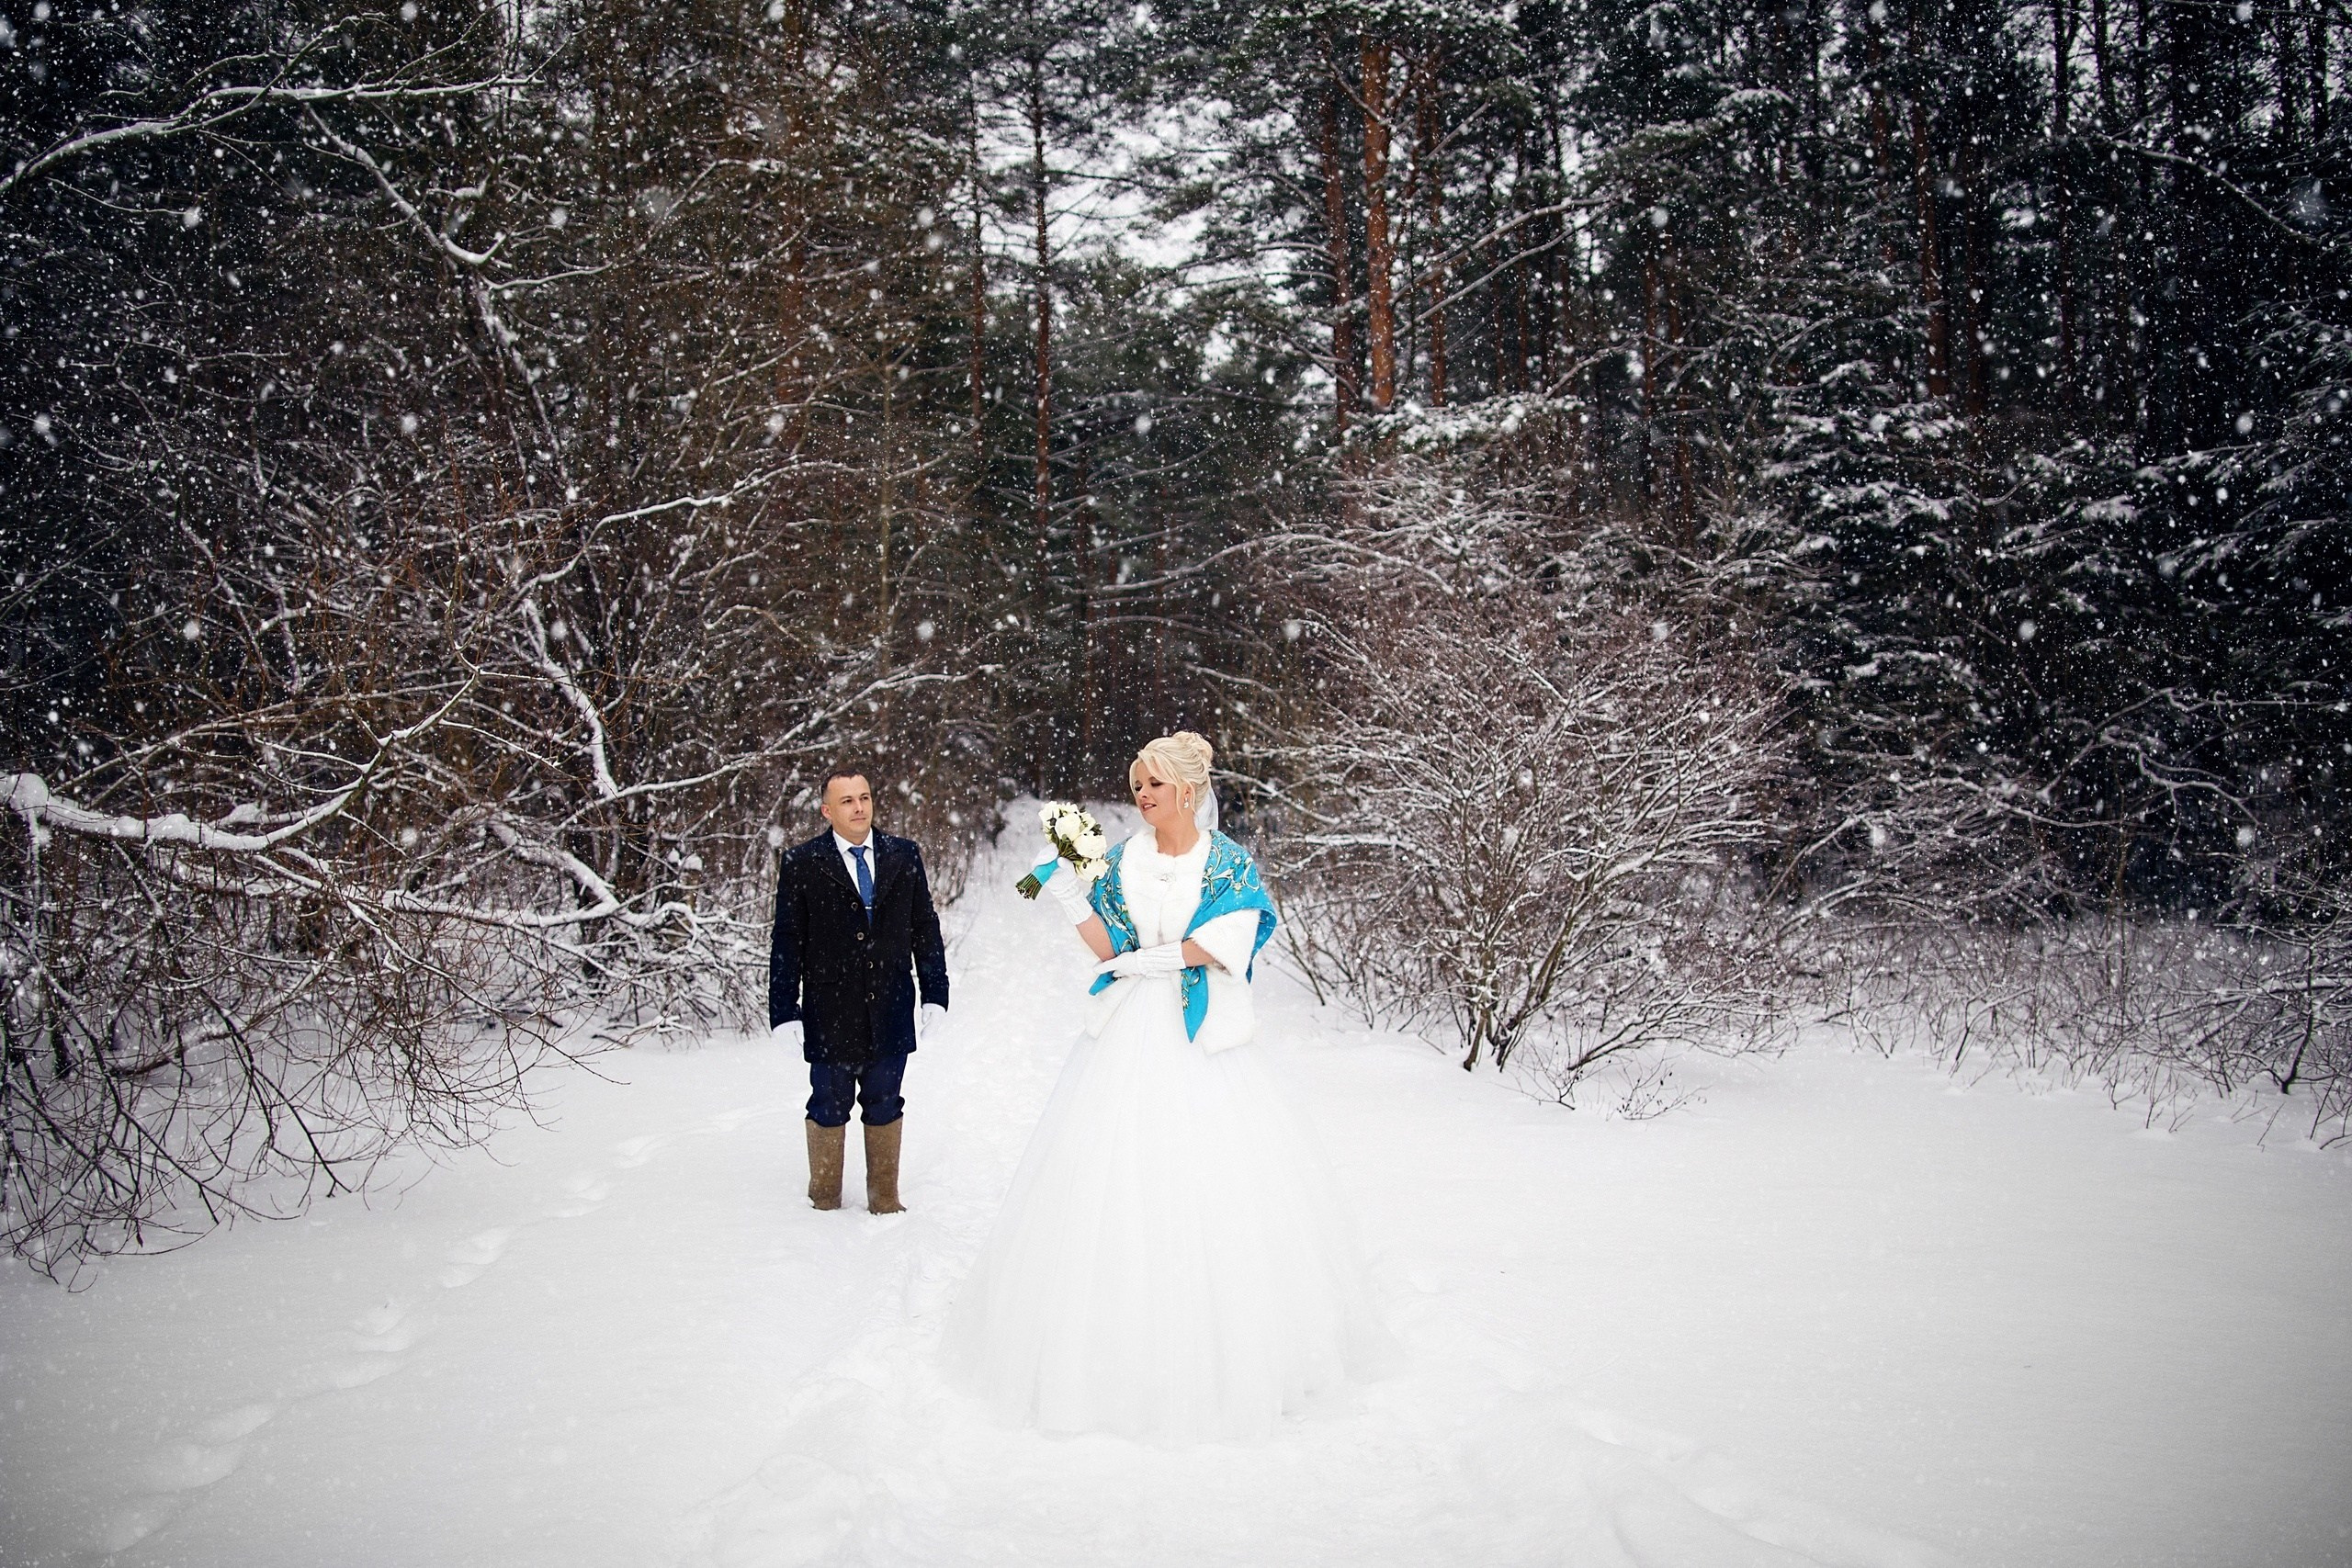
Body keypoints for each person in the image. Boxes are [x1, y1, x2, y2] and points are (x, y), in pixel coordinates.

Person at [942, 731, 1386, 1441]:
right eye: (1136, 782)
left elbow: (1226, 941)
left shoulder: (1228, 862)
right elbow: (1110, 948)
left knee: (1214, 1183)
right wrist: (1068, 897)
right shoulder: (1123, 860)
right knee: (1108, 1180)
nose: (1141, 795)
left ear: (1187, 788)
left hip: (1202, 1040)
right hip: (1128, 1035)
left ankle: (1231, 1353)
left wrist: (1150, 962)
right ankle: (1102, 1356)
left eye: (1153, 783)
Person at [769, 766, 949, 1213]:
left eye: (865, 797)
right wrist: (783, 1010)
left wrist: (935, 993)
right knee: (829, 1103)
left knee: (885, 1101)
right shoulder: (802, 863)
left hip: (889, 1006)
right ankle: (825, 1198)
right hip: (830, 1011)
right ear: (828, 810)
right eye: (847, 801)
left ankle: (885, 1199)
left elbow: (923, 926)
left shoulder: (903, 855)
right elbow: (787, 939)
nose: (859, 807)